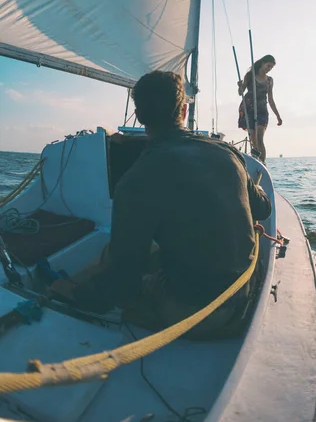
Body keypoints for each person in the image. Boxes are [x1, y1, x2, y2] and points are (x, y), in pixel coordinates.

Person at [51, 71, 271, 340]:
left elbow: (124, 280)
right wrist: (249, 187)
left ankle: (66, 286)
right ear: (184, 109)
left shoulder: (136, 179)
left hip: (199, 315)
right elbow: (263, 210)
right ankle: (76, 282)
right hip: (244, 295)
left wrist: (77, 296)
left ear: (139, 116)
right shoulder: (228, 153)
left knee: (124, 265)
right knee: (133, 251)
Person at [238, 54, 282, 163]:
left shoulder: (269, 80)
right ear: (262, 63)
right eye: (268, 66)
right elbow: (240, 92)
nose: (269, 69)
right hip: (248, 109)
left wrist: (278, 116)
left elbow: (270, 99)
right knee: (253, 139)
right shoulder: (250, 76)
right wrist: (240, 85)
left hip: (262, 110)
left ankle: (263, 162)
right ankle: (256, 161)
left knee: (259, 137)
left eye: (271, 67)